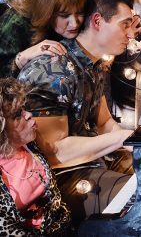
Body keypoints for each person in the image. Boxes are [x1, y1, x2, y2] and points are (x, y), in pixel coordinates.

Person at [18, 0, 136, 222]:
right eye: (125, 25)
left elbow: (104, 122)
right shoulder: (52, 70)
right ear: (97, 21)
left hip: (91, 163)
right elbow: (54, 151)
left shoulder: (95, 64)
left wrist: (135, 143)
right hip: (55, 181)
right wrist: (123, 138)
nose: (130, 34)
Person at [0, 77, 71, 235]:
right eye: (17, 115)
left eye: (24, 108)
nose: (29, 115)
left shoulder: (30, 143)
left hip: (62, 226)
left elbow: (56, 151)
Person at [0, 0, 88, 78]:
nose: (75, 24)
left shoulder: (88, 16)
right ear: (46, 12)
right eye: (64, 16)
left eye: (80, 13)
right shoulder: (17, 22)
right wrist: (22, 57)